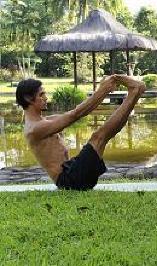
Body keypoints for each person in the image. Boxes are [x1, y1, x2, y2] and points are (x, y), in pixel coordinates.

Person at [16, 75, 145, 190]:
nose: (46, 98)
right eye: (41, 94)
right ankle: (134, 93)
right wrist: (103, 90)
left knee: (102, 137)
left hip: (72, 171)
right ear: (28, 98)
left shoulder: (46, 121)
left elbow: (81, 112)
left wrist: (103, 91)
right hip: (69, 181)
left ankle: (134, 93)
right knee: (99, 137)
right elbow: (76, 114)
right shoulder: (35, 129)